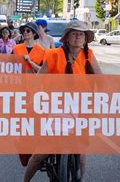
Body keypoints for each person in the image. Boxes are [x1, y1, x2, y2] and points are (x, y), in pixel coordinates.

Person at [23, 20, 101, 182]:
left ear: (86, 38)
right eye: (74, 33)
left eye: (82, 34)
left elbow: (100, 79)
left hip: (81, 109)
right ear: (67, 37)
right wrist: (32, 99)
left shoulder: (89, 55)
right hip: (56, 108)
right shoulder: (53, 55)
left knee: (81, 157)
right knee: (39, 154)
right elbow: (39, 80)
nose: (78, 37)